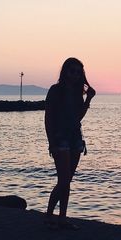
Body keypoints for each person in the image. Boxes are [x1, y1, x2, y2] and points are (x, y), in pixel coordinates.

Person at [44, 57, 96, 229]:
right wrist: (51, 141)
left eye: (78, 72)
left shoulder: (77, 92)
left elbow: (78, 117)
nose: (75, 75)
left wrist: (88, 99)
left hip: (75, 136)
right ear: (65, 71)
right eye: (72, 71)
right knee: (64, 180)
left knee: (67, 180)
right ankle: (51, 215)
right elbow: (48, 117)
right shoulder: (55, 90)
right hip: (60, 137)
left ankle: (61, 218)